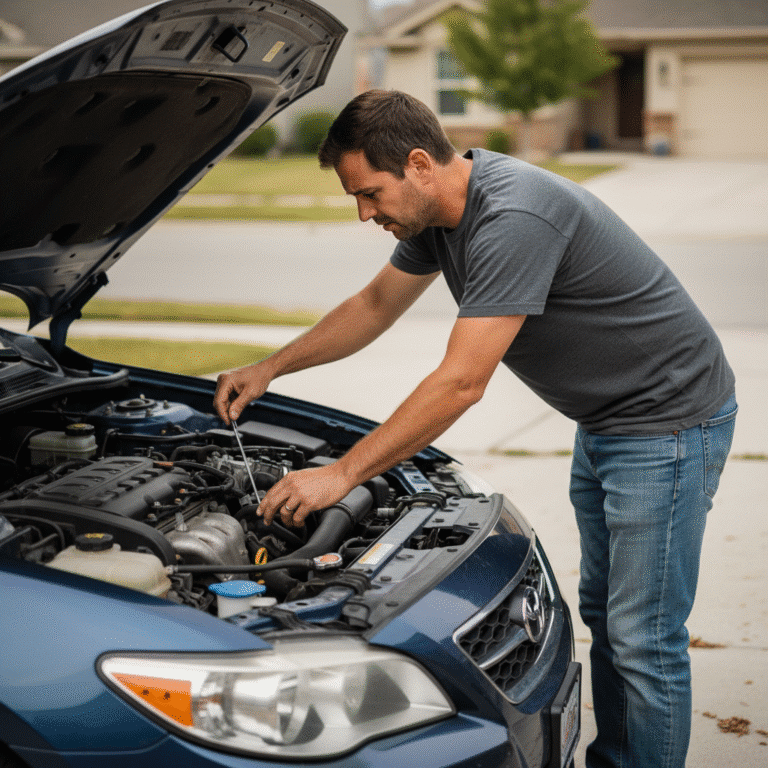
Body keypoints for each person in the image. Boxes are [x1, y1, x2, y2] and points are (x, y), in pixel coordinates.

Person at [213, 90, 737, 768]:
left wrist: (341, 475)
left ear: (420, 163)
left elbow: (461, 381)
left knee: (644, 637)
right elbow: (374, 305)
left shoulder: (512, 216)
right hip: (608, 420)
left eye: (370, 193)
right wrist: (270, 368)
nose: (365, 213)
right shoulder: (435, 215)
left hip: (666, 426)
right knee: (610, 619)